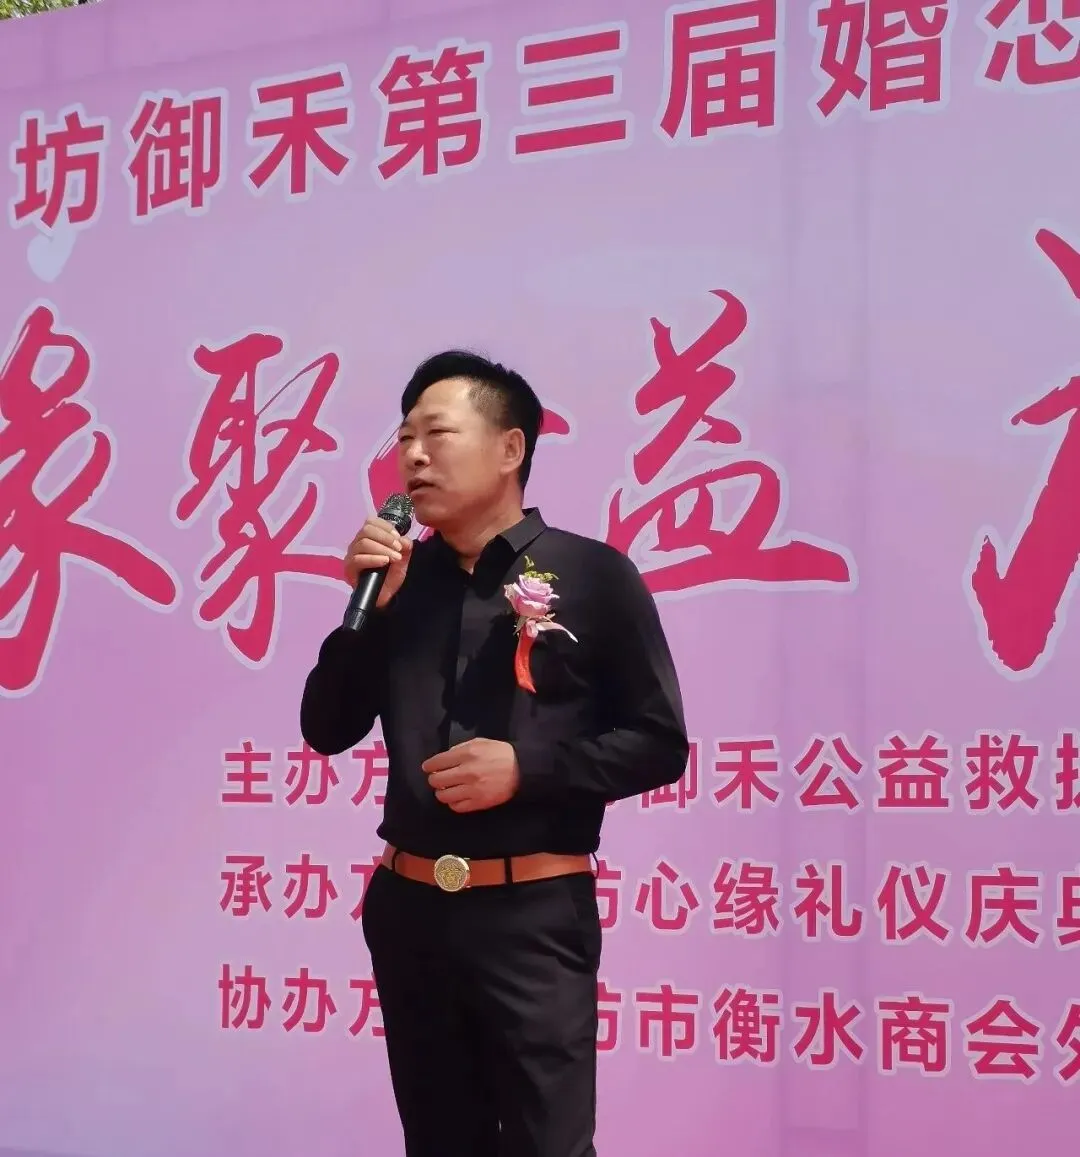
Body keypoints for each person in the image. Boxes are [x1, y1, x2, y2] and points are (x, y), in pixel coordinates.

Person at [300, 350, 689, 1157]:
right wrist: (363, 614)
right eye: (404, 438)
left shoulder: (593, 574)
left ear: (510, 448)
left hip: (532, 915)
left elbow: (658, 743)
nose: (413, 456)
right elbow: (327, 726)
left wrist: (528, 769)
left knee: (549, 1146)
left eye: (436, 434)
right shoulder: (398, 580)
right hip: (410, 908)